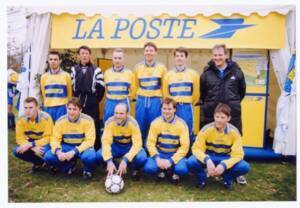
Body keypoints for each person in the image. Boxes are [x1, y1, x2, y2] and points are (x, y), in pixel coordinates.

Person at [199, 44, 247, 184]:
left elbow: (242, 91)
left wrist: (232, 104)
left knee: (235, 142)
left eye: (220, 55)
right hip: (211, 114)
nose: (217, 57)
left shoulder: (236, 72)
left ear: (226, 55)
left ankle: (236, 172)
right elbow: (203, 93)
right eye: (215, 55)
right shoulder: (206, 73)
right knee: (208, 142)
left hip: (232, 114)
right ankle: (208, 168)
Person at [187, 103, 250, 190]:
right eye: (217, 117)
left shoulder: (234, 132)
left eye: (222, 117)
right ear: (214, 116)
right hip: (210, 156)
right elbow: (196, 148)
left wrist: (224, 165)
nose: (219, 120)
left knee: (244, 167)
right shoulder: (206, 129)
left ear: (228, 118)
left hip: (225, 158)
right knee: (191, 162)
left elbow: (238, 155)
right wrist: (207, 160)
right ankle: (202, 176)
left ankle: (227, 177)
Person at [44, 97, 97, 179]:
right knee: (48, 156)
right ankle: (68, 166)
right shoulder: (60, 121)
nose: (71, 112)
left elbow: (90, 141)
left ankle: (87, 170)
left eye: (74, 109)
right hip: (67, 147)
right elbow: (54, 139)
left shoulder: (88, 120)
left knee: (90, 157)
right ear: (66, 108)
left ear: (80, 110)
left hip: (82, 148)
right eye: (69, 109)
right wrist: (58, 152)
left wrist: (74, 152)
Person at [144, 97, 190, 184]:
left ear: (174, 110)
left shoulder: (182, 124)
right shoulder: (155, 123)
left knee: (182, 169)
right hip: (160, 154)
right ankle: (161, 171)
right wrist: (157, 159)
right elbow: (150, 144)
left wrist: (171, 161)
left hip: (174, 154)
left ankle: (175, 173)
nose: (166, 111)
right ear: (161, 109)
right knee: (149, 168)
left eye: (169, 109)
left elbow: (185, 147)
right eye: (164, 108)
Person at [96, 103, 147, 180]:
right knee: (99, 154)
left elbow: (137, 144)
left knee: (142, 157)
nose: (118, 116)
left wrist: (125, 159)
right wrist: (109, 160)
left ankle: (135, 169)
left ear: (127, 114)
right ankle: (112, 167)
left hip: (129, 146)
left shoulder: (133, 123)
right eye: (116, 113)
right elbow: (106, 142)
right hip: (115, 146)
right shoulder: (109, 122)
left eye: (121, 114)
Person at [71, 45, 105, 150]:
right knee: (78, 123)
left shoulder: (97, 70)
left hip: (92, 101)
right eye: (82, 53)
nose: (84, 55)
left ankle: (95, 148)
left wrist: (94, 100)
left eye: (86, 53)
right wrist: (77, 99)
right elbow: (72, 86)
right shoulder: (74, 69)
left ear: (90, 55)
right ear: (79, 55)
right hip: (78, 100)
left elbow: (101, 88)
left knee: (93, 124)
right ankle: (79, 148)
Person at [163, 47, 199, 143]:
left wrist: (188, 102)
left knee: (188, 129)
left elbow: (196, 94)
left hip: (187, 107)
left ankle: (188, 154)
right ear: (174, 58)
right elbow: (166, 94)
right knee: (173, 130)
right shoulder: (168, 75)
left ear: (186, 58)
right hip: (173, 108)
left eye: (182, 56)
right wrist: (172, 106)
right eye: (177, 56)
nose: (179, 58)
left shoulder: (193, 74)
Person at [134, 42, 167, 145]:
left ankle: (154, 149)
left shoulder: (162, 67)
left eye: (151, 50)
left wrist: (163, 101)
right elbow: (135, 85)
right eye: (147, 50)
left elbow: (164, 86)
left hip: (155, 101)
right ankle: (140, 149)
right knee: (140, 126)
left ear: (155, 52)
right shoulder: (137, 67)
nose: (149, 52)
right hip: (142, 100)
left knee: (155, 126)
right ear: (144, 52)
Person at [13, 97, 53, 172]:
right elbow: (19, 138)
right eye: (26, 108)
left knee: (46, 152)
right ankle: (39, 163)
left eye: (31, 108)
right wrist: (31, 147)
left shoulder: (46, 118)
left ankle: (52, 164)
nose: (28, 111)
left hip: (44, 142)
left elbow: (48, 137)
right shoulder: (21, 119)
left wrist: (32, 144)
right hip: (31, 142)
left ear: (37, 107)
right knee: (17, 150)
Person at [103, 48, 135, 123]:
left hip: (123, 102)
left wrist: (126, 100)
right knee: (108, 123)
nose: (117, 60)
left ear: (123, 59)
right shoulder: (107, 73)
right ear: (112, 59)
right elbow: (105, 89)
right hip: (110, 103)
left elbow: (133, 90)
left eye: (119, 58)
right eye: (115, 58)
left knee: (124, 123)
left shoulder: (129, 73)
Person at [40, 51, 72, 122]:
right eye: (51, 59)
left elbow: (69, 94)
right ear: (48, 61)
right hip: (48, 108)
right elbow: (44, 95)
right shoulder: (44, 77)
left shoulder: (66, 76)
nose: (53, 61)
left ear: (60, 61)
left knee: (61, 130)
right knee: (49, 130)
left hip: (62, 108)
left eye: (55, 59)